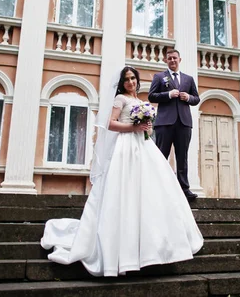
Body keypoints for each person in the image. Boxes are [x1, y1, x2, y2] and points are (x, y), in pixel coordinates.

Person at [41, 66, 203, 277]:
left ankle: (157, 246)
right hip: (125, 148)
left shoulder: (140, 101)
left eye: (133, 79)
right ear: (122, 82)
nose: (131, 82)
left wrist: (147, 127)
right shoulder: (120, 99)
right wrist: (133, 128)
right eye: (127, 79)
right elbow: (110, 123)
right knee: (125, 191)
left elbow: (148, 129)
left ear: (137, 80)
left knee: (153, 192)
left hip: (143, 146)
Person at [148, 49, 200, 202]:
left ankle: (184, 189)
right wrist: (168, 95)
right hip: (164, 123)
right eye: (169, 58)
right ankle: (156, 186)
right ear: (166, 60)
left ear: (180, 59)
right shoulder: (159, 77)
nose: (172, 60)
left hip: (184, 123)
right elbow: (152, 96)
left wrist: (188, 97)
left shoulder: (188, 79)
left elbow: (196, 99)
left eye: (175, 58)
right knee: (161, 156)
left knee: (182, 157)